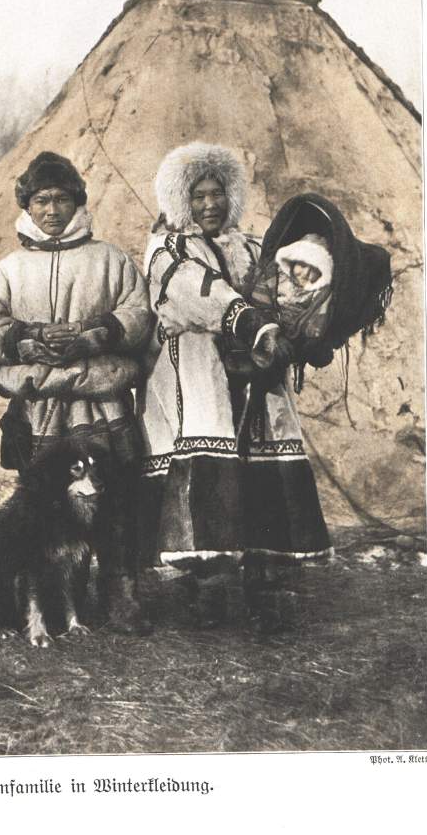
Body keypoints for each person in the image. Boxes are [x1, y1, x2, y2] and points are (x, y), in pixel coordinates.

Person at [137, 143, 332, 630]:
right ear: (181, 199)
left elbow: (276, 289)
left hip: (256, 379)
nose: (210, 204)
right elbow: (195, 294)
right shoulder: (169, 250)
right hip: (197, 375)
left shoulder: (248, 247)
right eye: (199, 195)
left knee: (258, 466)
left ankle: (263, 578)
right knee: (206, 470)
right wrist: (254, 326)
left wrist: (302, 330)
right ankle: (205, 584)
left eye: (218, 193)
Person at [0, 151, 154, 633]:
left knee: (112, 501)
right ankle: (51, 601)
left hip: (100, 402)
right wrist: (26, 339)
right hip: (42, 407)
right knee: (47, 507)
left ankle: (119, 596)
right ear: (26, 207)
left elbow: (139, 313)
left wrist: (97, 334)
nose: (51, 211)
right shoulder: (10, 270)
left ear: (78, 202)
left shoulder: (111, 260)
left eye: (61, 199)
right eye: (40, 201)